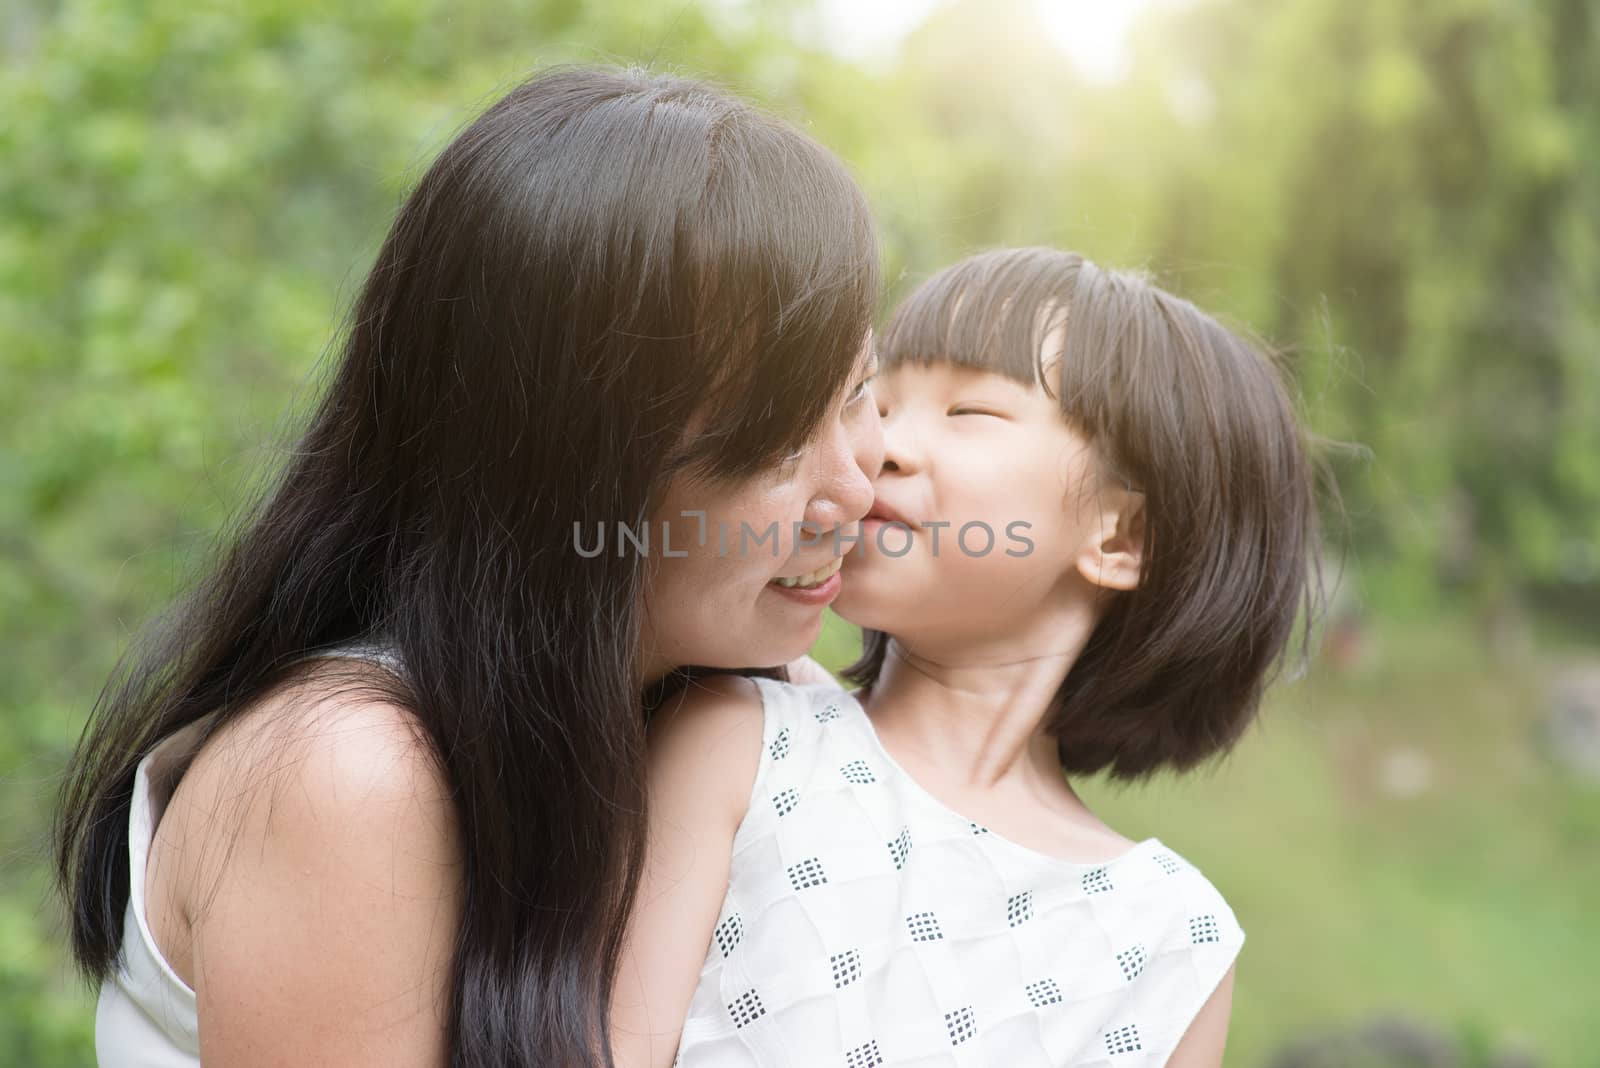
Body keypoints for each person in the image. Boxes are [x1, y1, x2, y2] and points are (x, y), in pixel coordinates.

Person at [54, 65, 884, 1067]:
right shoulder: (353, 779)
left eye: (858, 395)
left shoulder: (729, 719)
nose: (854, 491)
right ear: (567, 474)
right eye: (775, 445)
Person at [615, 247, 1324, 1066]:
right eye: (874, 399)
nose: (876, 445)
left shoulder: (1170, 942)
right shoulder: (741, 740)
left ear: (1120, 536)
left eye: (968, 414)